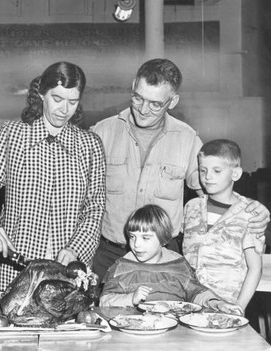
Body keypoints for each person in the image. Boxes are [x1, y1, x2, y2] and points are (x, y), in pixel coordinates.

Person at [90, 58, 270, 283]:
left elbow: (213, 191)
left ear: (173, 101)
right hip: (109, 255)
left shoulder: (187, 139)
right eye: (138, 98)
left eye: (155, 104)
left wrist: (250, 209)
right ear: (133, 85)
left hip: (164, 259)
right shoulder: (101, 132)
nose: (143, 110)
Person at [0, 61, 106, 294]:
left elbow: (94, 208)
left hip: (67, 276)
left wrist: (75, 249)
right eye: (57, 99)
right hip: (14, 272)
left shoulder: (90, 145)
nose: (64, 109)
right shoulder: (13, 135)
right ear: (41, 94)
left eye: (72, 101)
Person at [99, 204, 242, 315]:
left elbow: (196, 292)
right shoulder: (122, 266)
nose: (136, 244)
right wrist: (130, 298)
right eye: (132, 237)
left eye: (145, 238)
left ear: (163, 238)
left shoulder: (178, 264)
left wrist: (217, 303)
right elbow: (104, 301)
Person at [183, 139, 264, 312]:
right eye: (203, 170)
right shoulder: (191, 207)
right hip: (189, 303)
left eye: (217, 171)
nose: (208, 177)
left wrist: (239, 308)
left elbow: (255, 268)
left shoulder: (249, 214)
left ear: (235, 174)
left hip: (226, 304)